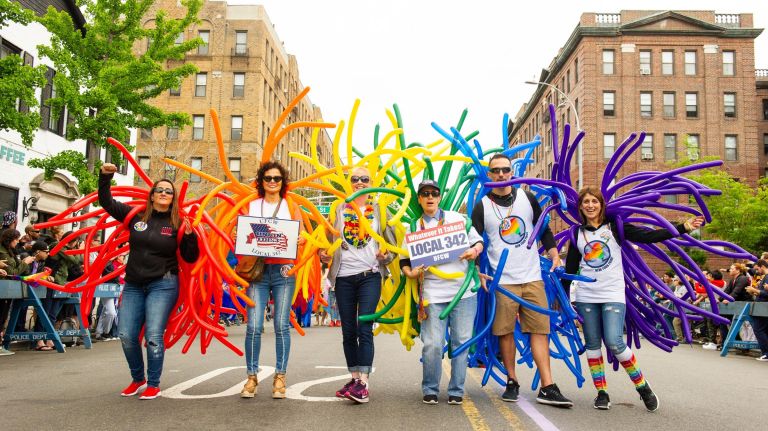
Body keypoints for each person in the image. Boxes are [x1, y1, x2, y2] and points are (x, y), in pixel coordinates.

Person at [563, 186, 703, 412]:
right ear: (580, 207)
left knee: (615, 341)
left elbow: (649, 236)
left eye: (594, 201)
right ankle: (601, 392)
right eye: (586, 202)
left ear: (602, 205)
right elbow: (570, 268)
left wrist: (683, 227)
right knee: (592, 344)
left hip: (612, 293)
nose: (590, 205)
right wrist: (561, 298)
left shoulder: (616, 227)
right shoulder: (577, 234)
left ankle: (642, 386)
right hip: (586, 295)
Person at [470, 154, 570, 407]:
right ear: (489, 175)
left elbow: (543, 229)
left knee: (539, 330)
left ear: (512, 173)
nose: (501, 174)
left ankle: (548, 386)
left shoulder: (528, 198)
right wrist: (476, 270)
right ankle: (511, 381)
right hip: (501, 279)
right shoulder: (481, 205)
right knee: (505, 333)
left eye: (505, 169)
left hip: (532, 277)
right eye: (496, 171)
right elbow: (474, 240)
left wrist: (554, 254)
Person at [99, 162, 199, 400]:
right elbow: (107, 203)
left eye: (169, 191)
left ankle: (153, 383)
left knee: (154, 335)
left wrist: (189, 236)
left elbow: (190, 257)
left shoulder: (177, 223)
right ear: (152, 195)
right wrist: (105, 178)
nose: (164, 194)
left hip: (163, 284)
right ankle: (138, 378)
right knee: (126, 334)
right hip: (133, 284)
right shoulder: (136, 217)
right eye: (160, 190)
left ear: (173, 198)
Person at [401, 180, 483, 405]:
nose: (430, 197)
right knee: (432, 344)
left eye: (434, 193)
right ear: (419, 198)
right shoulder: (413, 227)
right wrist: (410, 272)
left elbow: (478, 241)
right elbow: (404, 261)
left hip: (463, 293)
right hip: (432, 293)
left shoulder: (458, 220)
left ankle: (456, 389)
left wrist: (473, 251)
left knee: (461, 341)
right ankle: (430, 388)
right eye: (425, 193)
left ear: (439, 197)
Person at [319, 166, 396, 404]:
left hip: (370, 275)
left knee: (364, 327)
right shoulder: (338, 210)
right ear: (349, 183)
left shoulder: (381, 211)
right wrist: (324, 255)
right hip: (343, 276)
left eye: (365, 179)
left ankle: (363, 382)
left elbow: (391, 246)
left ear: (372, 182)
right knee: (348, 331)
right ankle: (354, 378)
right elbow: (328, 243)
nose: (360, 182)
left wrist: (386, 257)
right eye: (355, 179)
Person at [240, 161, 306, 400]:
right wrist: (238, 234)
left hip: (284, 271)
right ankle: (251, 376)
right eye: (267, 178)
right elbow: (238, 233)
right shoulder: (250, 205)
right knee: (254, 326)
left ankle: (280, 376)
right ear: (261, 181)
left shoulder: (291, 206)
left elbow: (301, 236)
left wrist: (300, 240)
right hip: (257, 270)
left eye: (277, 178)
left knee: (280, 326)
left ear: (282, 182)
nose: (272, 182)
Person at [0, 229, 31, 356]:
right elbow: (13, 272)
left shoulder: (12, 251)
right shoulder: (2, 252)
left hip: (9, 288)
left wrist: (24, 264)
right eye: (16, 239)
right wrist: (24, 263)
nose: (18, 241)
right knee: (0, 314)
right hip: (3, 286)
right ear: (10, 239)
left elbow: (22, 271)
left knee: (3, 316)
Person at [746, 260, 768, 361]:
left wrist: (755, 290)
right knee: (763, 330)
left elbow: (766, 294)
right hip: (761, 307)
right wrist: (754, 292)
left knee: (758, 329)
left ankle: (766, 353)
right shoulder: (764, 277)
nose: (757, 271)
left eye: (757, 269)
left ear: (762, 266)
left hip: (763, 308)